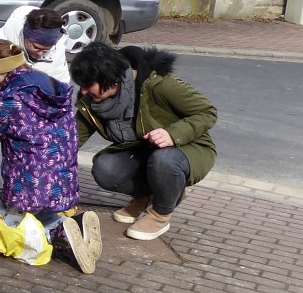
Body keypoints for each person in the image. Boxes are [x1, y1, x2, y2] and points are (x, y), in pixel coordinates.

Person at [0, 40, 99, 275]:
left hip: (28, 171)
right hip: (62, 166)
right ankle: (76, 224)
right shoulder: (50, 83)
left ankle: (60, 232)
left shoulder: (8, 98)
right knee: (42, 207)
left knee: (15, 223)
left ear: (0, 71)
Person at [69, 42, 217, 241]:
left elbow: (207, 112)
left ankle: (160, 214)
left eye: (88, 85)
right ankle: (146, 196)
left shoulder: (159, 84)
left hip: (186, 149)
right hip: (143, 152)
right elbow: (70, 140)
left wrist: (172, 134)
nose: (84, 91)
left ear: (110, 79)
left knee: (164, 161)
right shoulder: (92, 103)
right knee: (105, 168)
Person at [0, 7, 73, 184]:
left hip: (28, 106)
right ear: (25, 36)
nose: (41, 53)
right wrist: (3, 125)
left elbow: (59, 89)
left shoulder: (56, 49)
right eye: (36, 47)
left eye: (46, 50)